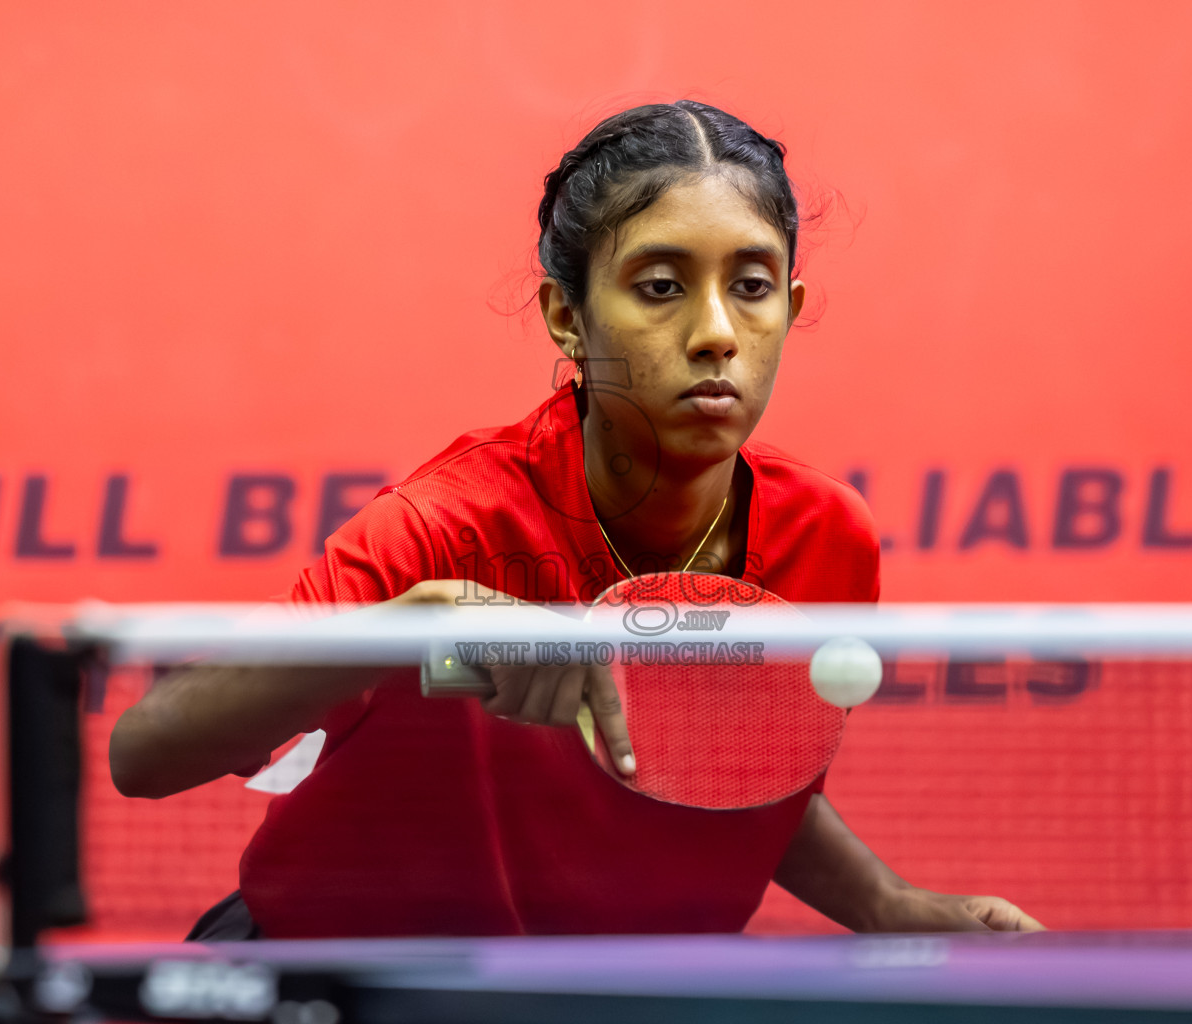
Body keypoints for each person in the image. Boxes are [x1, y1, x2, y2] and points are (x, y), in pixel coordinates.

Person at [109, 100, 1043, 939]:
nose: (717, 330)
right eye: (661, 286)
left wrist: (886, 904)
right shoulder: (450, 525)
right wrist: (410, 631)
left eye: (752, 286)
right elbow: (145, 751)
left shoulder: (825, 537)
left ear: (790, 309)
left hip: (609, 996)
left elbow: (722, 770)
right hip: (348, 982)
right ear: (567, 316)